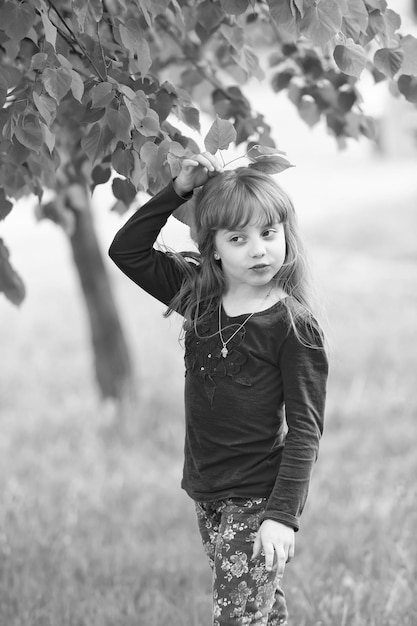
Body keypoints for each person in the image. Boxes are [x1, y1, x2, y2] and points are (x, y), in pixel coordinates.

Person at [109, 153, 328, 626]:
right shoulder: (200, 298)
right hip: (206, 488)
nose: (258, 251)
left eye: (269, 234)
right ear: (213, 248)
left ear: (285, 234)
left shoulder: (293, 326)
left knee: (237, 617)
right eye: (238, 239)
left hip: (256, 497)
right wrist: (179, 190)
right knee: (259, 613)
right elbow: (126, 251)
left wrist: (281, 516)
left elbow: (306, 431)